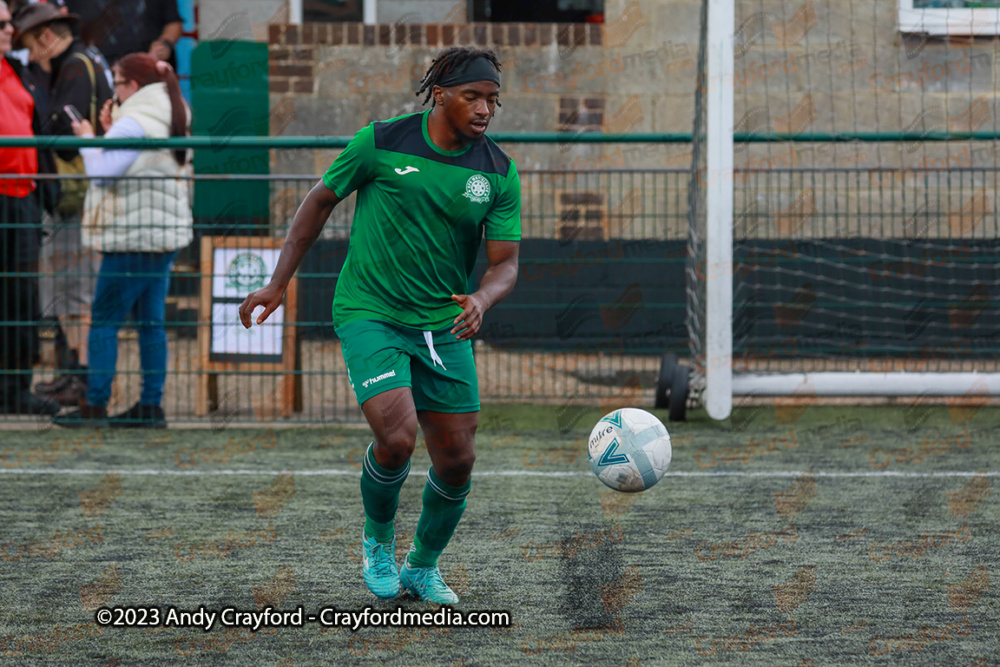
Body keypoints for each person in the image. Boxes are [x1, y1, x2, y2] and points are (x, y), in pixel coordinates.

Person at [239, 46, 521, 604]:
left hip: (443, 324)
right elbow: (319, 202)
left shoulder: (498, 171)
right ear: (439, 94)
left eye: (492, 99)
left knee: (459, 458)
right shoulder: (382, 141)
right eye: (473, 96)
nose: (486, 108)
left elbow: (505, 262)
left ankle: (422, 566)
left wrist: (483, 299)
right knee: (396, 438)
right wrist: (277, 283)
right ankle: (377, 543)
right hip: (371, 310)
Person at [53, 52, 191, 428]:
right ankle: (150, 405)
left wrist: (87, 138)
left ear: (133, 86)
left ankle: (94, 405)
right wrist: (108, 132)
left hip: (133, 237)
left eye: (117, 82)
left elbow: (99, 173)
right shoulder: (170, 113)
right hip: (162, 235)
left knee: (103, 322)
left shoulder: (135, 122)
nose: (114, 89)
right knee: (151, 323)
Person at [13, 1, 112, 407]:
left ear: (47, 37)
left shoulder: (72, 67)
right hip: (82, 194)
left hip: (78, 195)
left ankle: (83, 376)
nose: (29, 54)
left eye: (30, 45)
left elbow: (63, 129)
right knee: (66, 290)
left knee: (76, 293)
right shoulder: (85, 59)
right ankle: (73, 371)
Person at [0, 0, 60, 415]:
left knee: (22, 297)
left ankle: (16, 387)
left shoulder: (18, 71)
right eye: (2, 24)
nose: (9, 29)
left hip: (22, 199)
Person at [64, 0, 182, 67]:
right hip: (94, 74)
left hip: (145, 73)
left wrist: (165, 44)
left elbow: (173, 22)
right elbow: (60, 23)